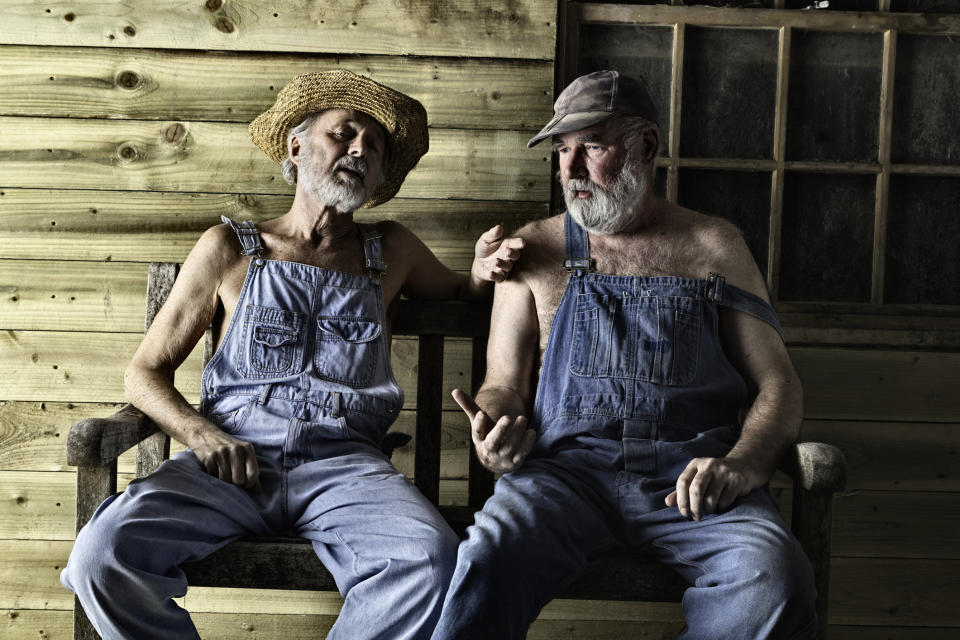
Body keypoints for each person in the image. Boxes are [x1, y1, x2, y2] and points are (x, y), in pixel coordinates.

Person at [60, 69, 523, 640]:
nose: (360, 149)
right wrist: (202, 436)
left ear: (379, 175)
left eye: (373, 146)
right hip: (229, 463)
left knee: (432, 562)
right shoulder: (230, 247)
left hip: (347, 468)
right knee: (101, 554)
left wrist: (481, 270)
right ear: (297, 147)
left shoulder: (391, 250)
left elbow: (464, 294)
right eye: (345, 133)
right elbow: (143, 374)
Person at [431, 70, 817, 639]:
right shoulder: (531, 250)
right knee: (486, 563)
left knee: (775, 580)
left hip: (691, 481)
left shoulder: (715, 246)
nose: (571, 170)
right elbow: (502, 384)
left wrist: (741, 465)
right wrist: (495, 431)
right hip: (565, 479)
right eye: (562, 151)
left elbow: (779, 386)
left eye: (590, 146)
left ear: (647, 146)